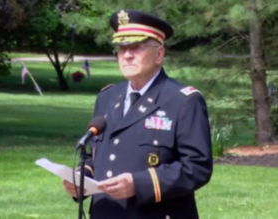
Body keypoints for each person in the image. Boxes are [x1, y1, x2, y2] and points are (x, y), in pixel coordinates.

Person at [63, 9, 213, 219]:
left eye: (136, 47)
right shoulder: (108, 97)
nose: (127, 55)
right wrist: (82, 178)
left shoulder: (183, 101)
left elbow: (197, 167)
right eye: (121, 48)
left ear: (159, 54)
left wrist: (139, 184)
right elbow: (94, 155)